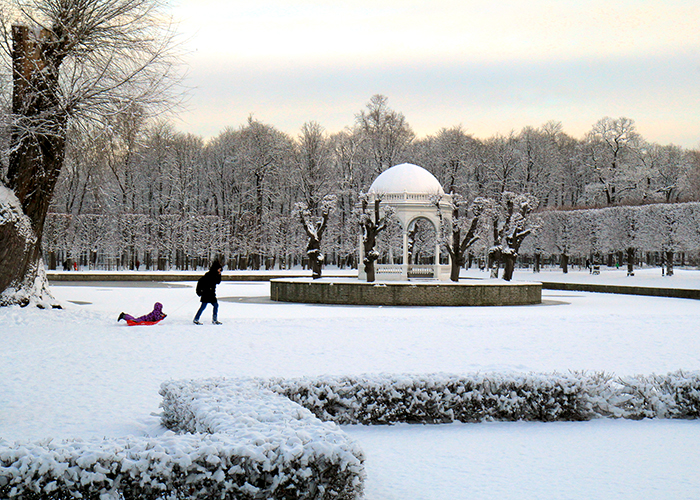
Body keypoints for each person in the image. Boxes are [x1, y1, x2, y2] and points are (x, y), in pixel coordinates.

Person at [194, 260, 223, 325]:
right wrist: (199, 292)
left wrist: (219, 275)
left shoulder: (216, 275)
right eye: (219, 269)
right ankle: (196, 319)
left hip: (212, 294)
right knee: (203, 307)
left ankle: (214, 320)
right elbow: (200, 282)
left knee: (215, 305)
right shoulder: (209, 275)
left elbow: (218, 282)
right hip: (206, 294)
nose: (220, 271)